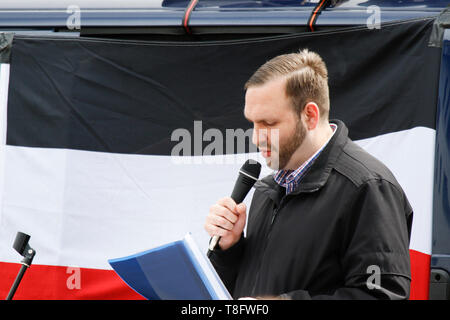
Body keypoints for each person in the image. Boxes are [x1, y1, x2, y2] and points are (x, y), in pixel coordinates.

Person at [204, 49, 413, 300]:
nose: (255, 137)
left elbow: (381, 296)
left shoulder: (368, 187)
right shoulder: (266, 190)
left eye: (268, 123)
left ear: (310, 116)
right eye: (252, 123)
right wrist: (230, 249)